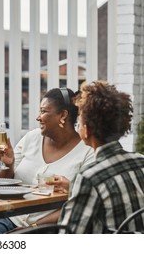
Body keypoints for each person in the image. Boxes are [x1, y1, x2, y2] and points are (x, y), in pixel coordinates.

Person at [0, 88, 94, 234]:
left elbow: (78, 205)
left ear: (63, 115)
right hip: (7, 218)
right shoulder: (31, 138)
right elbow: (3, 188)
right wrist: (8, 164)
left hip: (47, 228)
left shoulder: (87, 152)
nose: (38, 117)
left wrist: (32, 228)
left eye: (44, 111)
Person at [58, 81, 144, 233]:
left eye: (80, 119)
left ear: (87, 129)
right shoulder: (140, 161)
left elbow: (69, 235)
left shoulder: (89, 177)